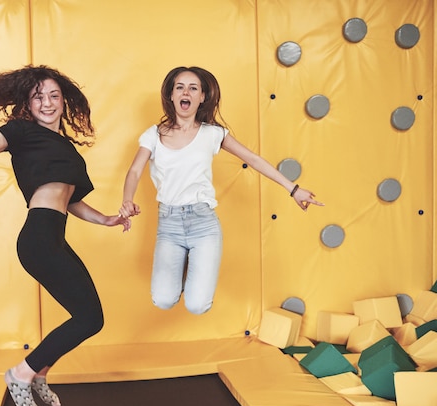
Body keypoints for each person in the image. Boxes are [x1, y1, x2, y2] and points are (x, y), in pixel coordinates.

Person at [0, 58, 130, 406]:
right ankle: (21, 373)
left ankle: (40, 372)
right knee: (89, 319)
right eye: (37, 96)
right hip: (39, 237)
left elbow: (71, 199)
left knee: (88, 315)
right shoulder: (22, 133)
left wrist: (106, 219)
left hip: (54, 238)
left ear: (64, 100)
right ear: (28, 104)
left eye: (53, 95)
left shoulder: (68, 149)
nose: (46, 102)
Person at [120, 66, 324, 315]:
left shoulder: (212, 134)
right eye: (180, 87)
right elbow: (133, 172)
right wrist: (127, 200)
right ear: (171, 95)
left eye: (193, 88)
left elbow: (254, 159)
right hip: (169, 225)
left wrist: (294, 190)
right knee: (163, 300)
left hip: (203, 224)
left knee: (197, 306)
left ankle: (196, 269)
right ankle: (181, 266)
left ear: (202, 97)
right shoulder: (152, 135)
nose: (186, 92)